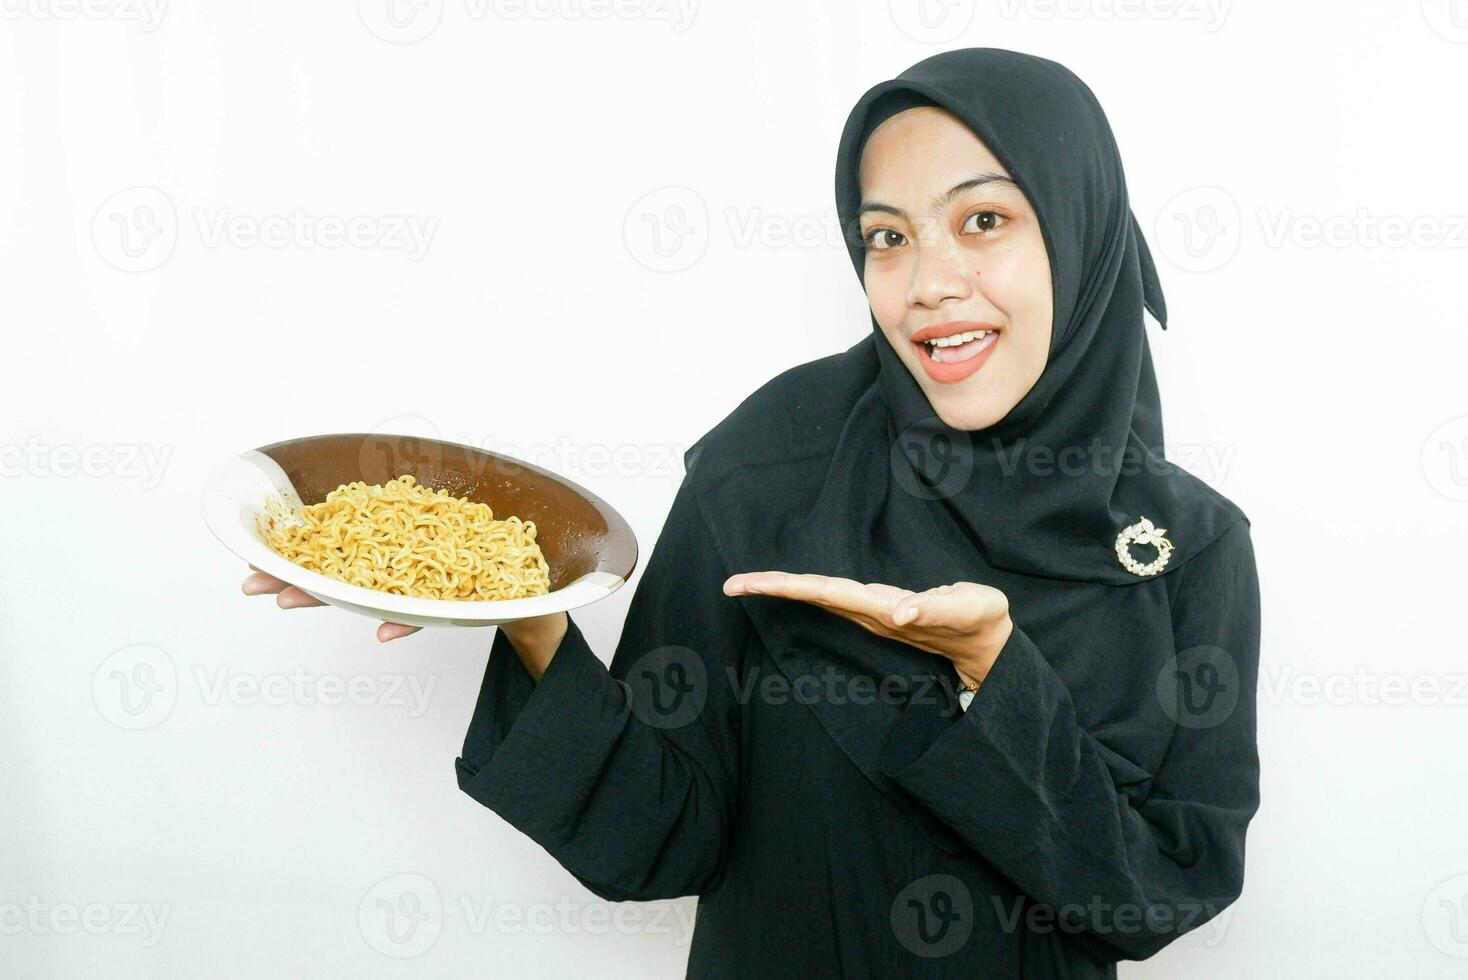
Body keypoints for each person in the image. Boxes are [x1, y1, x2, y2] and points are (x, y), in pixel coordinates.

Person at [242, 47, 1261, 978]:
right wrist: (521, 603)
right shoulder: (770, 466)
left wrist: (994, 675)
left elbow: (1152, 894)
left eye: (981, 220)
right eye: (885, 237)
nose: (926, 285)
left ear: (1077, 229)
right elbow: (662, 833)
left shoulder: (1188, 549)